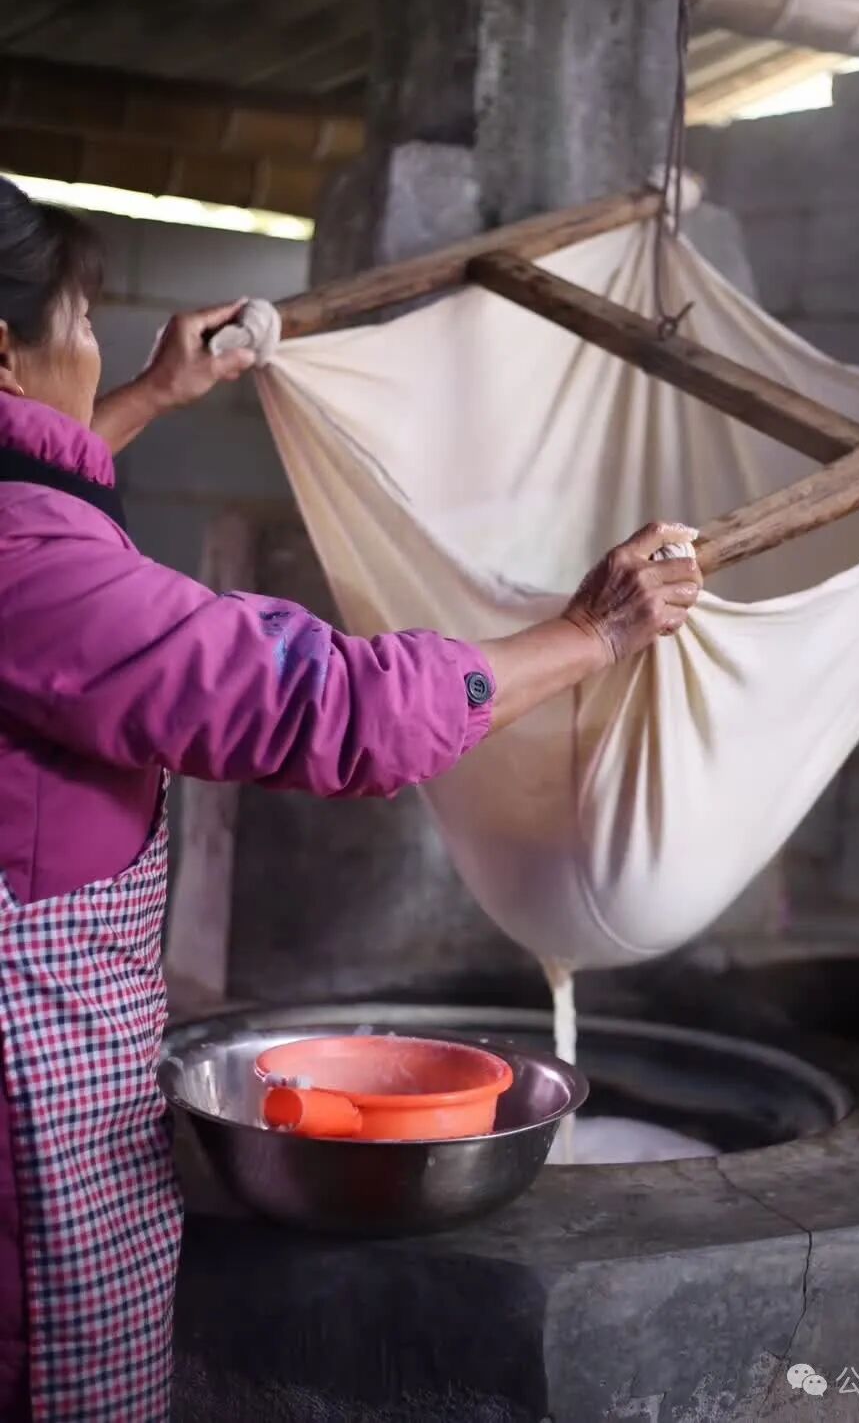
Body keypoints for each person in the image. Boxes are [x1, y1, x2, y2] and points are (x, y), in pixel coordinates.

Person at [0, 175, 702, 1422]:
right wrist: (588, 637)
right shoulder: (34, 575)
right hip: (26, 1119)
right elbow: (336, 708)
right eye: (85, 326)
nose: (95, 349)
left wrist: (150, 395)